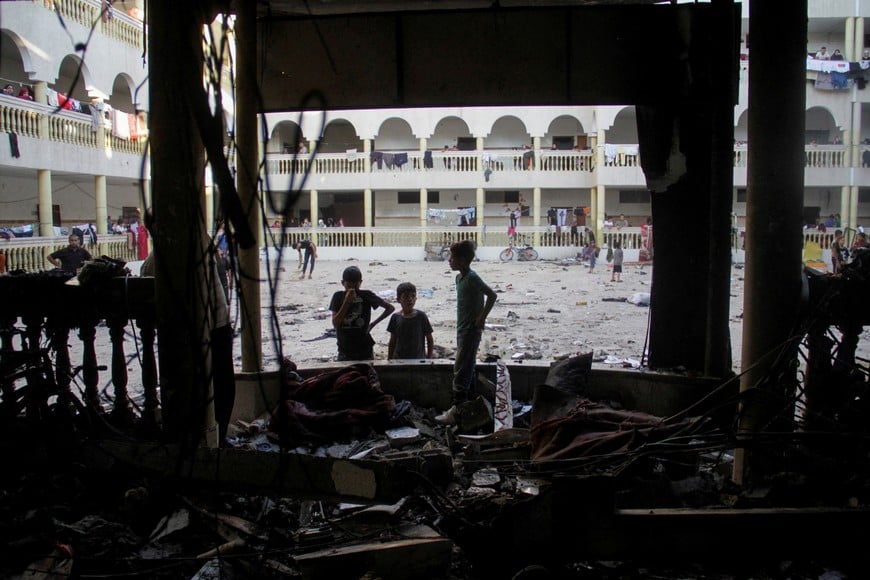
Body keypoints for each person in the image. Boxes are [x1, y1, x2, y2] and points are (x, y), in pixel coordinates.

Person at [435, 240, 497, 424]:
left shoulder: (472, 277)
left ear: (462, 260)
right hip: (462, 329)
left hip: (471, 330)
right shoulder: (459, 278)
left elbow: (492, 295)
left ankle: (456, 412)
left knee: (461, 370)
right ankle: (469, 410)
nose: (449, 260)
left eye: (452, 257)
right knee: (466, 367)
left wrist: (482, 318)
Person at [329, 265, 395, 361]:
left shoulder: (366, 295)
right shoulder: (338, 297)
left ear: (360, 283)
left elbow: (390, 308)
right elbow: (336, 323)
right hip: (345, 348)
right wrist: (347, 302)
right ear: (342, 283)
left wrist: (372, 324)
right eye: (349, 286)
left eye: (355, 285)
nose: (352, 289)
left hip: (364, 347)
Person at [387, 282, 434, 360]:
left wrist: (429, 358)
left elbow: (429, 339)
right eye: (406, 297)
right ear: (398, 300)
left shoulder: (421, 316)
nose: (410, 299)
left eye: (413, 296)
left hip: (418, 360)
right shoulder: (395, 318)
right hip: (399, 360)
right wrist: (390, 359)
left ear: (416, 298)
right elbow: (392, 341)